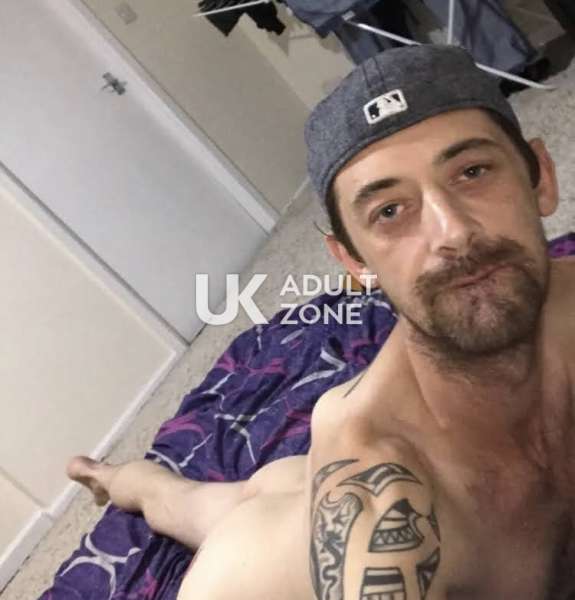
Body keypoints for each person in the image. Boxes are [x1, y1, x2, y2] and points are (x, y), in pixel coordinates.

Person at [68, 44, 575, 599]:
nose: (452, 231)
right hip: (254, 565)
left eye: (472, 172)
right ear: (354, 262)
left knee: (256, 493)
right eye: (389, 211)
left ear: (541, 178)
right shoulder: (385, 522)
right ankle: (118, 479)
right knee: (195, 507)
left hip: (291, 495)